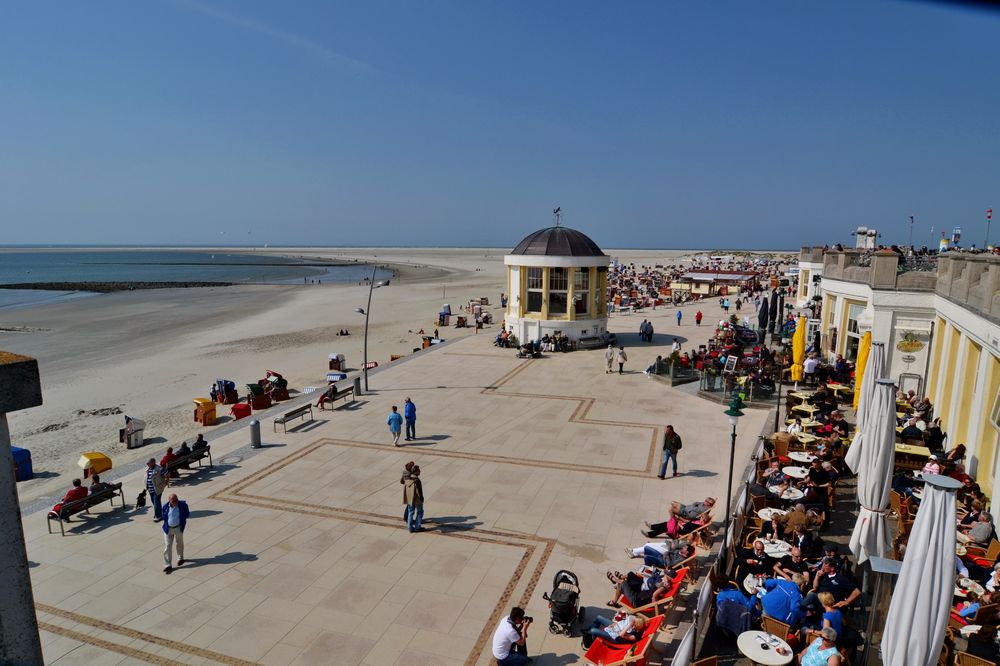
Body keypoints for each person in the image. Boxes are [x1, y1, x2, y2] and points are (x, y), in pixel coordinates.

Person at [161, 493, 190, 573]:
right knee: (168, 546)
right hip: (168, 529)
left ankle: (180, 558)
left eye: (176, 500)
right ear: (169, 501)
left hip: (178, 528)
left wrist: (182, 522)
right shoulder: (165, 507)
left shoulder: (182, 505)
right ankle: (167, 565)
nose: (175, 502)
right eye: (173, 501)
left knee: (179, 543)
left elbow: (187, 514)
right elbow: (164, 516)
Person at [145, 458, 168, 522]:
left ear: (153, 462)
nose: (147, 464)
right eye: (147, 463)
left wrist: (166, 482)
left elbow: (167, 474)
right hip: (150, 490)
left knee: (156, 502)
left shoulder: (159, 469)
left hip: (157, 489)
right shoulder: (148, 469)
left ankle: (158, 516)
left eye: (148, 463)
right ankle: (160, 513)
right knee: (155, 502)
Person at [403, 465, 424, 533]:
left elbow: (401, 481)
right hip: (417, 499)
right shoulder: (417, 480)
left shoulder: (407, 478)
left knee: (410, 512)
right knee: (420, 512)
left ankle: (410, 528)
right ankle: (417, 527)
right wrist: (422, 499)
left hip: (410, 499)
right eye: (418, 470)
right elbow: (419, 492)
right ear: (415, 472)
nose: (420, 471)